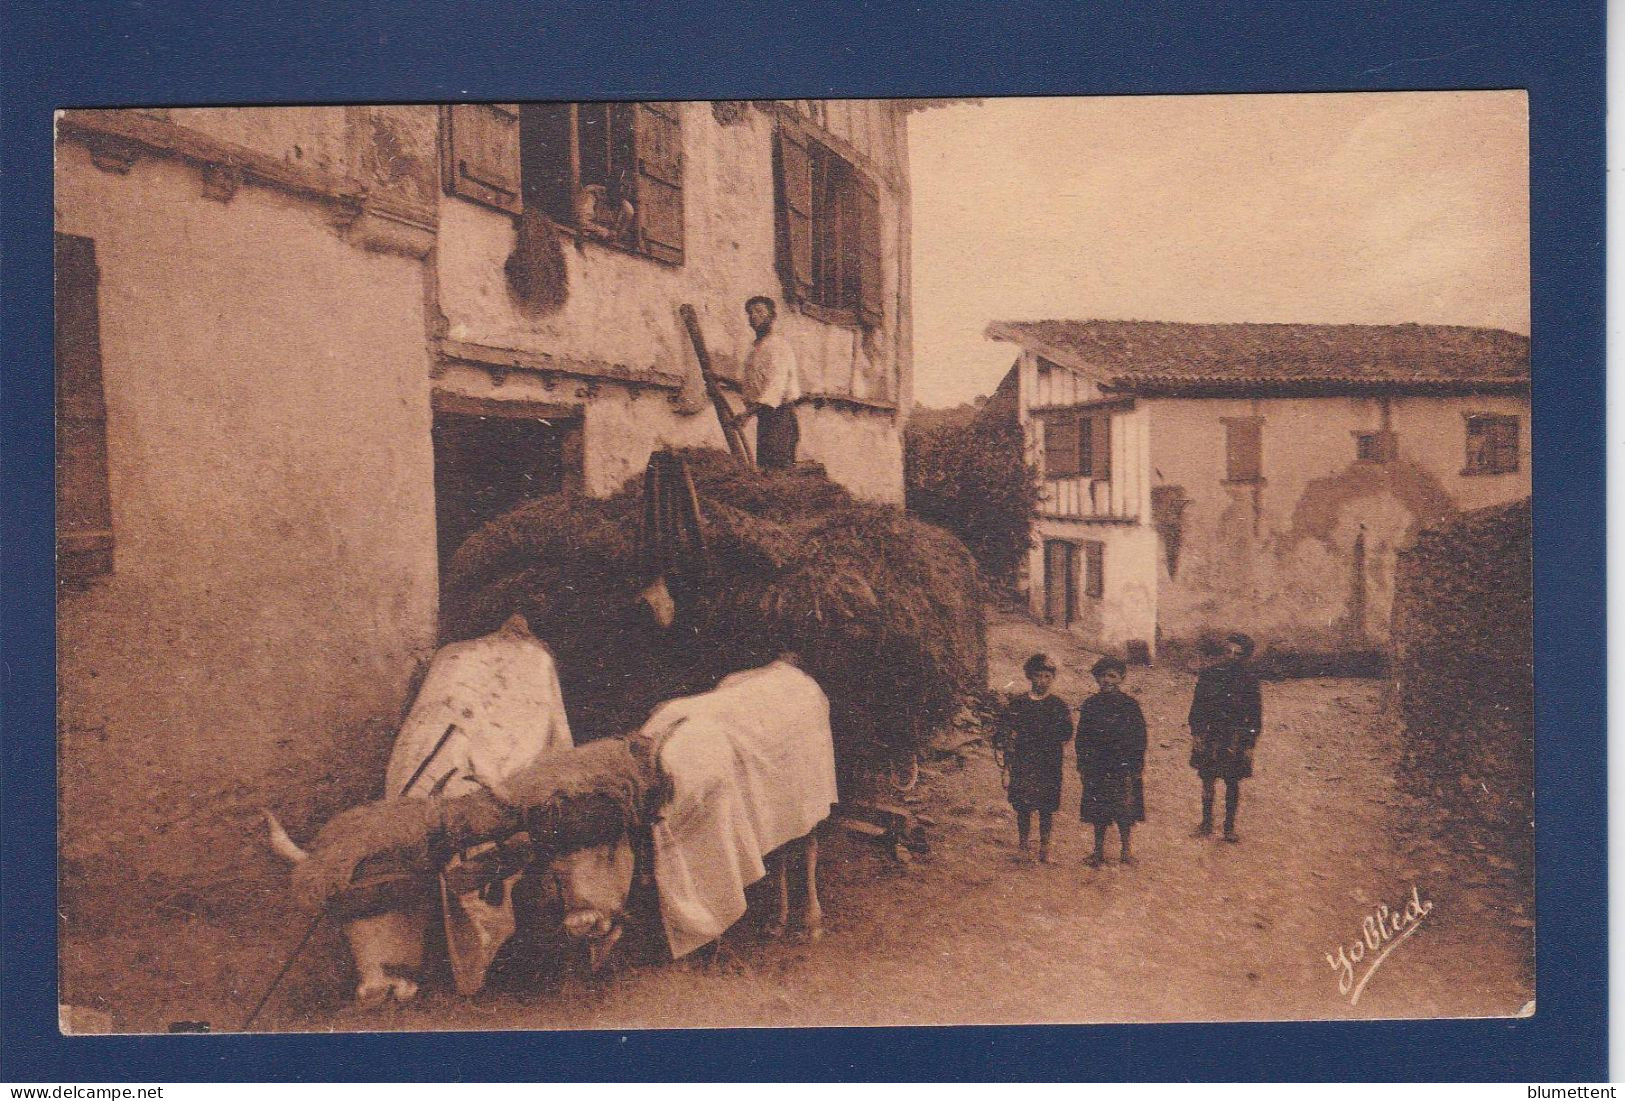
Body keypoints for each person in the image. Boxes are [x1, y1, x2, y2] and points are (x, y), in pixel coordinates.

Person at [1187, 631, 1263, 842]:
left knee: (1232, 781)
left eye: (1237, 654)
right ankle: (1206, 823)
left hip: (1235, 738)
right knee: (1207, 780)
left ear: (1245, 657)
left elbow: (1255, 715)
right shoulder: (1209, 674)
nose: (1231, 657)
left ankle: (1229, 827)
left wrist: (1249, 744)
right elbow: (1197, 707)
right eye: (1228, 651)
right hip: (1211, 734)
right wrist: (1197, 733)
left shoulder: (1249, 680)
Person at [998, 653, 1072, 864]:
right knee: (1023, 804)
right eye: (1038, 676)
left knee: (1046, 806)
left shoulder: (1058, 704)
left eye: (1047, 676)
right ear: (1030, 676)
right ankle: (1023, 846)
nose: (1042, 681)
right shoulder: (1019, 703)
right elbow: (1006, 728)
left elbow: (1066, 732)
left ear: (1052, 678)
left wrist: (1047, 735)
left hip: (1048, 761)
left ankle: (1044, 848)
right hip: (1024, 760)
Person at [1074, 655, 1148, 867]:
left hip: (1122, 765)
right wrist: (1083, 762)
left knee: (1125, 809)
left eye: (1112, 676)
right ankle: (1098, 852)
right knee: (1098, 809)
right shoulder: (1090, 705)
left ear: (1121, 679)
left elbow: (1140, 737)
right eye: (1102, 676)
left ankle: (1125, 850)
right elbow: (1082, 736)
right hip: (1097, 765)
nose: (1106, 680)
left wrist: (1136, 764)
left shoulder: (1130, 706)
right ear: (1097, 679)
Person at [735, 295, 801, 469]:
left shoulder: (777, 346)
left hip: (780, 418)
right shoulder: (756, 349)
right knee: (765, 468)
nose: (754, 316)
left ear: (772, 317)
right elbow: (754, 384)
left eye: (759, 312)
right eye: (750, 313)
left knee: (776, 470)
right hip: (765, 418)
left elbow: (774, 389)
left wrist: (747, 414)